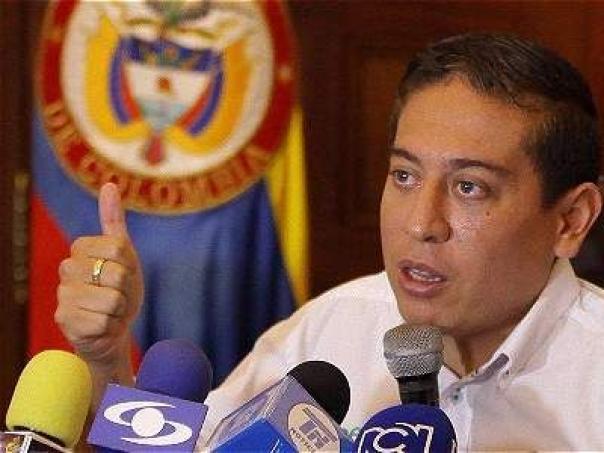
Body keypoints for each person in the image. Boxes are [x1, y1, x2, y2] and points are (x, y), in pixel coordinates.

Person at [55, 32, 604, 450]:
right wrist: (106, 357)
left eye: (469, 187)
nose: (421, 224)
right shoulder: (330, 329)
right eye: (404, 176)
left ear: (571, 220)